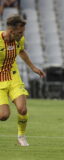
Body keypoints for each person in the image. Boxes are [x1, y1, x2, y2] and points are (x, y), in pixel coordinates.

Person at [0, 15, 45, 146]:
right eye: (20, 32)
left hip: (13, 78)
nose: (22, 35)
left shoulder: (19, 39)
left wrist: (33, 67)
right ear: (11, 31)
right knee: (3, 116)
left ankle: (21, 136)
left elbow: (22, 52)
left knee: (22, 109)